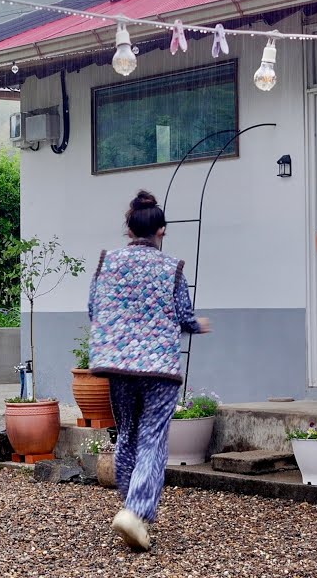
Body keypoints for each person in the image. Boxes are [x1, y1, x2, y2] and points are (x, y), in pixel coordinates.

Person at [87, 189, 210, 552]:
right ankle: (136, 511)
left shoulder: (108, 262)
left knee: (127, 433)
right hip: (159, 369)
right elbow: (184, 316)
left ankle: (131, 506)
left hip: (119, 365)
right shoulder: (172, 268)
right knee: (153, 438)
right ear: (161, 231)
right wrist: (198, 325)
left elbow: (94, 309)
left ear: (128, 230)